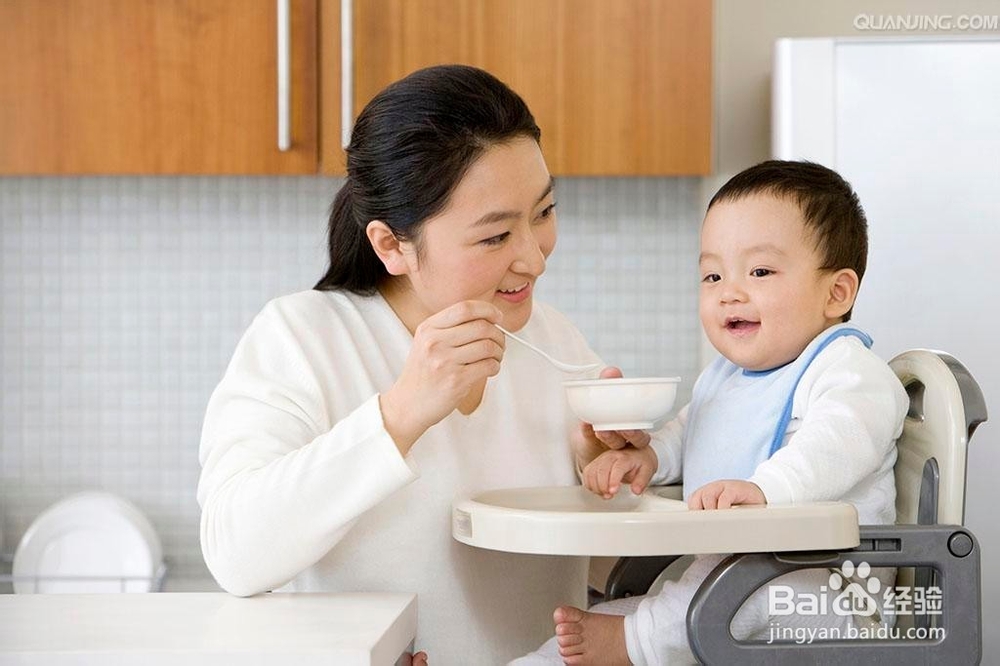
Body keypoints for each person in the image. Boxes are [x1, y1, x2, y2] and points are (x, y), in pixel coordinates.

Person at [196, 64, 643, 664]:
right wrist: (402, 412)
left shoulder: (553, 339)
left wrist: (604, 475)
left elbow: (609, 573)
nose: (534, 259)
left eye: (543, 212)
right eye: (494, 237)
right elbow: (235, 553)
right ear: (391, 245)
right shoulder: (304, 337)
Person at [513, 160, 909, 665]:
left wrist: (764, 490)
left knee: (718, 603)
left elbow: (836, 444)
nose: (729, 292)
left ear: (837, 293)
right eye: (712, 275)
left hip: (828, 595)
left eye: (760, 272)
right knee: (617, 622)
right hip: (737, 574)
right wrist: (649, 459)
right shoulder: (724, 376)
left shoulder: (849, 371)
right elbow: (691, 431)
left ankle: (635, 644)